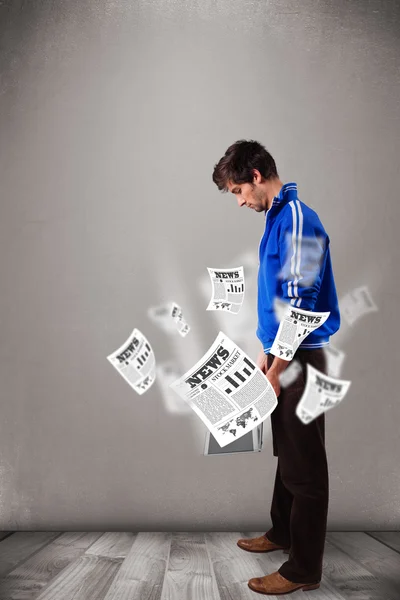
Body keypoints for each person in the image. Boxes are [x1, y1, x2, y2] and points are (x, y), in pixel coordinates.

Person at [212, 140, 340, 595]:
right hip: (283, 355)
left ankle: (303, 568)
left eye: (237, 191)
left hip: (300, 360)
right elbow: (280, 300)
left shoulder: (300, 220)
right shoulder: (276, 217)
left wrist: (278, 368)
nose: (240, 201)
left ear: (257, 175)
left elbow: (303, 304)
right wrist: (267, 355)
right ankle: (282, 533)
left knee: (306, 467)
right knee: (287, 452)